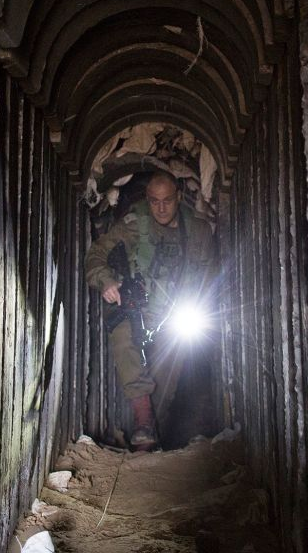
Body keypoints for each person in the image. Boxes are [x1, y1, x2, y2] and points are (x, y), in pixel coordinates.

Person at [84, 171, 216, 450]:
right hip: (139, 310)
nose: (161, 208)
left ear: (179, 197)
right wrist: (106, 281)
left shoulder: (199, 232)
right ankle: (144, 422)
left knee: (167, 375)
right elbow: (95, 255)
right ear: (147, 200)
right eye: (155, 201)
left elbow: (209, 277)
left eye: (167, 200)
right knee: (121, 334)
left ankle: (153, 436)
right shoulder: (133, 226)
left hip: (176, 313)